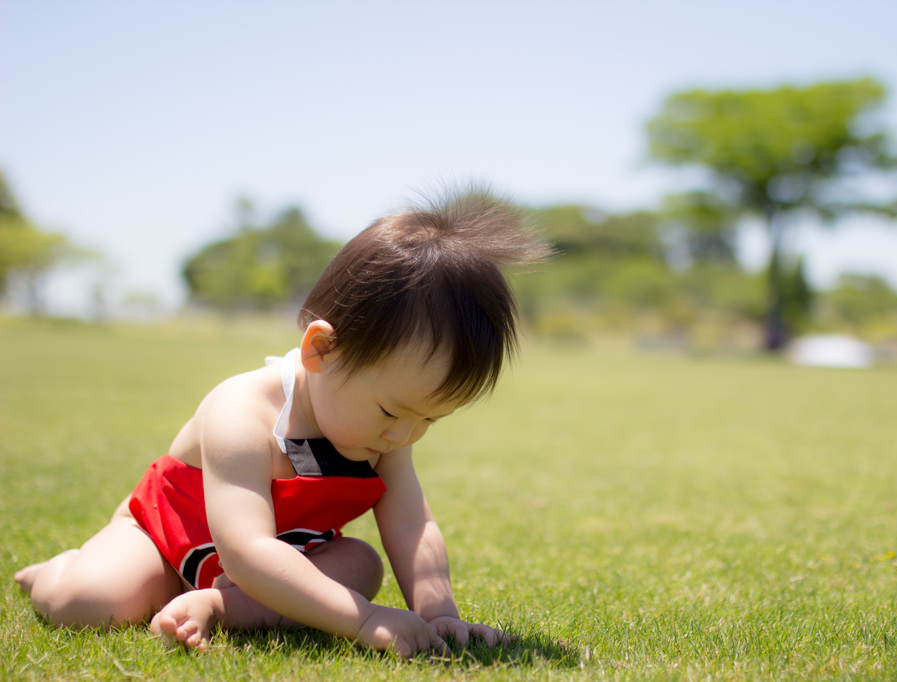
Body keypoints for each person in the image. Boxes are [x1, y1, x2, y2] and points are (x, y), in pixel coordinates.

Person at [14, 188, 549, 658]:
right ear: (321, 350)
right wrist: (363, 619)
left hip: (280, 560)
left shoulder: (388, 431)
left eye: (430, 418)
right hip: (168, 541)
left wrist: (438, 613)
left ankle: (217, 607)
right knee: (85, 601)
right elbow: (247, 551)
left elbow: (412, 525)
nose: (404, 435)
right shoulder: (242, 412)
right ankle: (58, 568)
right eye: (392, 411)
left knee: (358, 565)